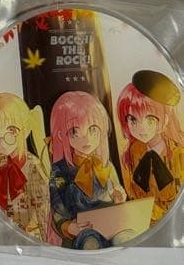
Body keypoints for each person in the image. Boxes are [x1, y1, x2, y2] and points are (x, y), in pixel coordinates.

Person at [48, 91, 128, 249]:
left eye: (93, 130)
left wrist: (119, 198)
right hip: (81, 233)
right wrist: (68, 227)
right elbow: (57, 210)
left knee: (125, 238)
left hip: (110, 227)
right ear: (61, 135)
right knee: (90, 242)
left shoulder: (105, 165)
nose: (87, 139)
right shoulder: (60, 170)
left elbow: (117, 197)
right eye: (75, 132)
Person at [0, 92, 49, 241]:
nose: (2, 140)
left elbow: (43, 207)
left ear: (25, 129)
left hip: (30, 235)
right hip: (4, 231)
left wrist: (45, 240)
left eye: (11, 130)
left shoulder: (33, 165)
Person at [117, 71, 184, 223]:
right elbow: (132, 192)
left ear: (165, 120)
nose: (142, 129)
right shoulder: (133, 151)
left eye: (150, 120)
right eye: (133, 120)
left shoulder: (178, 154)